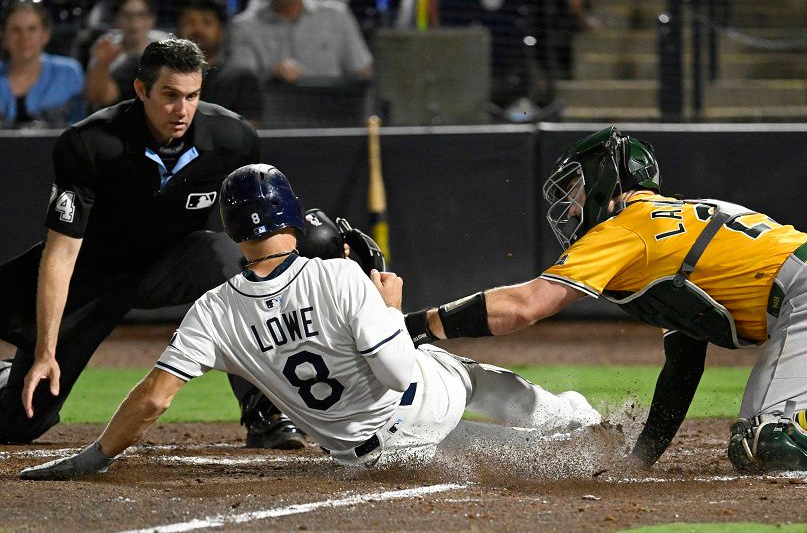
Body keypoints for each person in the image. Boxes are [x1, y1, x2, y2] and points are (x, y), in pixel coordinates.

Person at [401, 126, 807, 474]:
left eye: (575, 191)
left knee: (768, 443)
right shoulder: (662, 227)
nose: (571, 209)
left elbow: (526, 306)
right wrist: (642, 457)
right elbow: (684, 362)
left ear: (604, 181)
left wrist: (422, 324)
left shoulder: (625, 227)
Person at [17, 164, 602, 480]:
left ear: (232, 229)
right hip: (418, 407)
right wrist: (392, 314)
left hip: (367, 461)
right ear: (291, 215)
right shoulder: (340, 276)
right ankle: (581, 420)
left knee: (480, 450)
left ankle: (563, 449)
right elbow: (400, 374)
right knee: (460, 373)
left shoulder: (211, 311)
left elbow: (152, 400)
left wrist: (95, 456)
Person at [0, 39, 305, 451]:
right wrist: (45, 349)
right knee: (20, 423)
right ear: (141, 91)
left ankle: (266, 411)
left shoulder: (233, 139)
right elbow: (61, 253)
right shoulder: (90, 144)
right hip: (93, 274)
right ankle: (6, 376)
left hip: (175, 261)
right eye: (170, 96)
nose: (182, 110)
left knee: (231, 262)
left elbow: (258, 228)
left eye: (192, 96)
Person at [228, 0, 373, 83]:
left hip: (332, 115)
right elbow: (241, 85)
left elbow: (361, 73)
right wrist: (272, 75)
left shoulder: (337, 16)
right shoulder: (244, 26)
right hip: (272, 120)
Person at [176, 0, 262, 124]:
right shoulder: (162, 77)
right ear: (178, 29)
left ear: (221, 31)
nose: (198, 29)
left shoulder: (241, 80)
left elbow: (248, 135)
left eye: (207, 22)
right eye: (190, 22)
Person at [0, 0, 84, 129]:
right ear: (4, 37)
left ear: (45, 35)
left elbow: (81, 128)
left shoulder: (68, 73)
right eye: (16, 30)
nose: (24, 37)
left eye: (32, 29)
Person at [84, 0, 169, 110]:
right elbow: (95, 98)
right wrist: (103, 64)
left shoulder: (167, 45)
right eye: (127, 16)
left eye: (141, 15)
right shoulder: (105, 46)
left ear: (152, 18)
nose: (134, 23)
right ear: (116, 18)